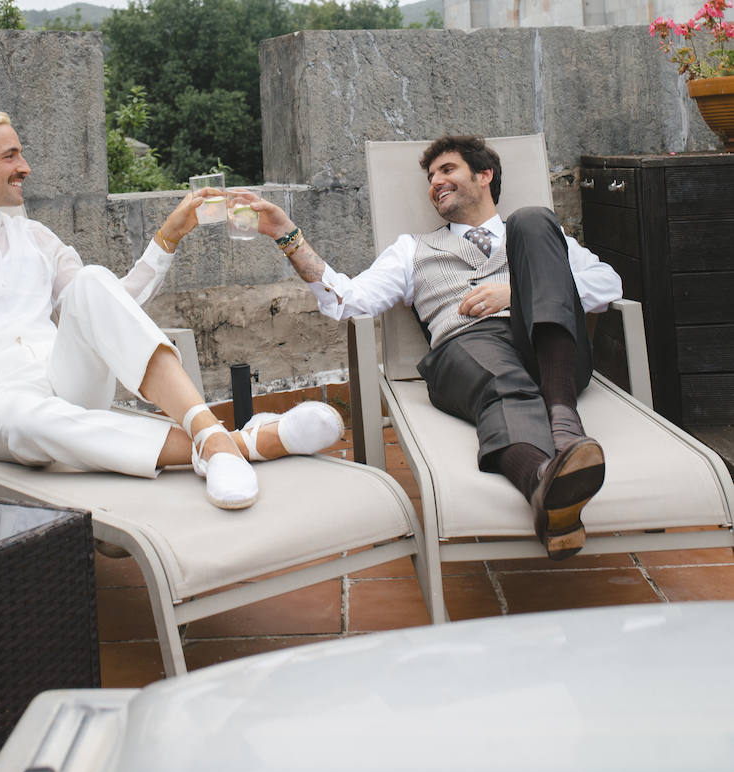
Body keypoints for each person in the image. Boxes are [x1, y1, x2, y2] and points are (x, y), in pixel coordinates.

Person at [0, 111, 344, 512]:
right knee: (30, 423)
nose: (25, 167)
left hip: (66, 373)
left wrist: (169, 236)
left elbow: (112, 303)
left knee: (89, 278)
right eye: (11, 155)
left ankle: (208, 435)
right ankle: (240, 444)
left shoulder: (36, 237)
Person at [238, 135, 623, 558]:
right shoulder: (411, 250)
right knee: (502, 380)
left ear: (484, 175)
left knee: (533, 218)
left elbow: (608, 284)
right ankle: (545, 483)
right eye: (430, 176)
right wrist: (285, 234)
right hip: (469, 348)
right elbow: (346, 300)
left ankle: (564, 430)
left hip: (552, 350)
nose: (435, 181)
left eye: (447, 169)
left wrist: (517, 294)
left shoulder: (541, 237)